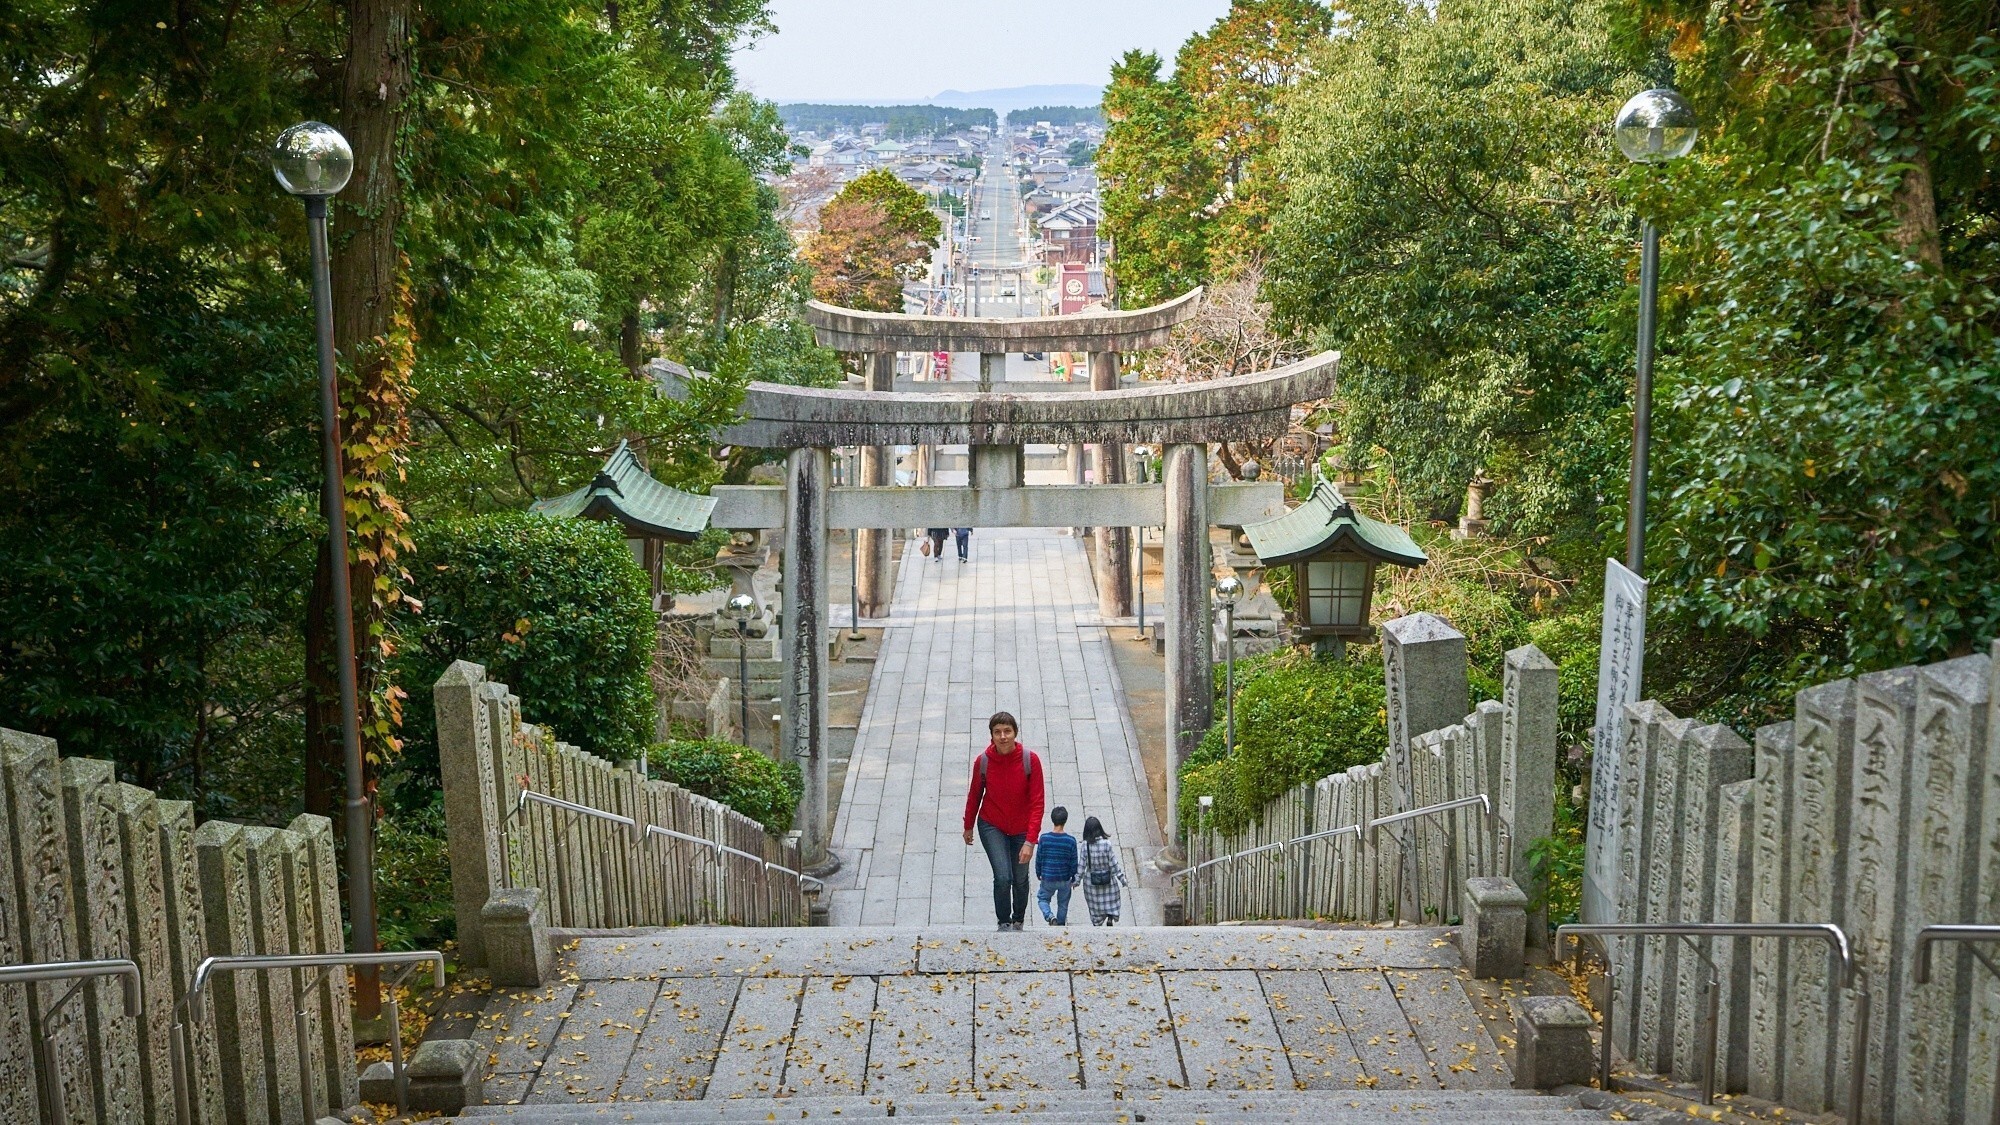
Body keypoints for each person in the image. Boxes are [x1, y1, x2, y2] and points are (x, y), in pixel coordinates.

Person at [962, 711, 1045, 931]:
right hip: (992, 824)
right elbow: (974, 794)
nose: (1003, 736)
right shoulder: (983, 762)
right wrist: (968, 825)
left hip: (1022, 828)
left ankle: (1018, 919)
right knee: (1002, 877)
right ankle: (1004, 922)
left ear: (1015, 733)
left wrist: (1030, 841)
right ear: (991, 736)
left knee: (1019, 878)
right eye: (997, 732)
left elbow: (1038, 803)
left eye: (1007, 731)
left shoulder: (1030, 760)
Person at [1079, 816, 1129, 927]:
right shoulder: (1107, 844)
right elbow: (1113, 863)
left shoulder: (1085, 846)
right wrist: (1122, 879)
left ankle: (1097, 922)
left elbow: (1081, 867)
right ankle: (1110, 916)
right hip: (1107, 879)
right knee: (1111, 901)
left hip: (1091, 883)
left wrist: (1076, 881)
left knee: (1095, 905)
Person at [1034, 806, 1078, 926]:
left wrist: (1038, 873)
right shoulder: (1071, 840)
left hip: (1048, 877)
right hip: (1064, 878)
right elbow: (1074, 862)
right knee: (1063, 904)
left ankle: (1049, 916)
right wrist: (1073, 878)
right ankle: (1060, 925)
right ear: (1065, 820)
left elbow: (1039, 858)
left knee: (1043, 899)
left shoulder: (1044, 839)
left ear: (1052, 819)